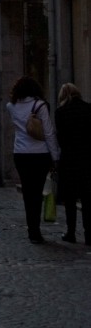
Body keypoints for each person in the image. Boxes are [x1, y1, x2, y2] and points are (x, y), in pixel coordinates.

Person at [6, 75, 60, 244]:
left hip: (21, 153)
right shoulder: (40, 105)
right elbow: (49, 132)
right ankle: (35, 231)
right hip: (40, 154)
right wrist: (55, 156)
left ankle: (32, 230)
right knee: (37, 192)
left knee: (28, 193)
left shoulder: (11, 106)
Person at [55, 82, 91, 244]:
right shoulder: (88, 109)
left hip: (69, 160)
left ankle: (71, 233)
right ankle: (89, 234)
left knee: (70, 200)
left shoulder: (60, 112)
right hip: (87, 159)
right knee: (87, 198)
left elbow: (60, 138)